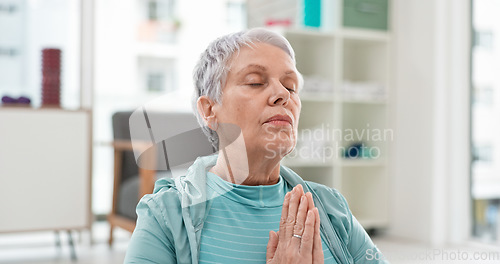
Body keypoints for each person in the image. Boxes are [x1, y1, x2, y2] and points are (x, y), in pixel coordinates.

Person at [124, 28, 389, 264]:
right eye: (255, 82)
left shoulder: (331, 209)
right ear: (209, 110)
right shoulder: (165, 216)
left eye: (291, 86)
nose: (283, 95)